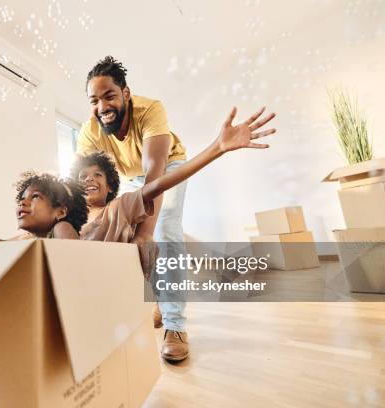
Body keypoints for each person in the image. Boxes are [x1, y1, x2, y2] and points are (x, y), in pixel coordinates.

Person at [76, 56, 275, 362]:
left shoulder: (150, 109)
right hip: (130, 176)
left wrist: (145, 231)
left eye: (110, 96)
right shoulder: (89, 132)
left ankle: (175, 325)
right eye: (94, 100)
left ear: (125, 94)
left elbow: (154, 170)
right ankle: (172, 291)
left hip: (167, 165)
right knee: (135, 231)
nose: (102, 106)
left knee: (164, 225)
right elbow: (85, 184)